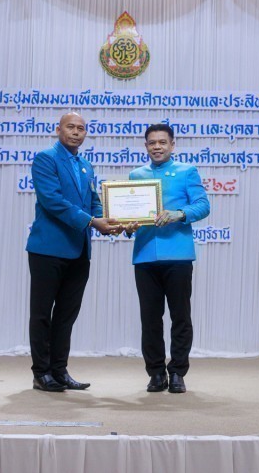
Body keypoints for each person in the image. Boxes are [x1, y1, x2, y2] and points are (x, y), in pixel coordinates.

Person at [26, 111, 120, 392]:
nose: (76, 132)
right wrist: (92, 222)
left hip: (79, 250)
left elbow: (93, 201)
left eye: (81, 128)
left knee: (66, 315)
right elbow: (52, 201)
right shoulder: (46, 159)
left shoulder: (86, 165)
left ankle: (59, 370)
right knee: (42, 314)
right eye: (71, 127)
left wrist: (110, 221)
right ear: (58, 130)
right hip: (48, 249)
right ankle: (41, 373)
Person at [125, 123, 210, 393]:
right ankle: (155, 373)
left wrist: (179, 214)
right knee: (150, 319)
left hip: (178, 255)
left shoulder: (187, 171)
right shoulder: (136, 174)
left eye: (162, 142)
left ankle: (177, 372)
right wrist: (127, 225)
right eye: (152, 143)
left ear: (172, 145)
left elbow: (203, 205)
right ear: (145, 146)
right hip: (145, 256)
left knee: (180, 316)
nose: (157, 147)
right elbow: (130, 213)